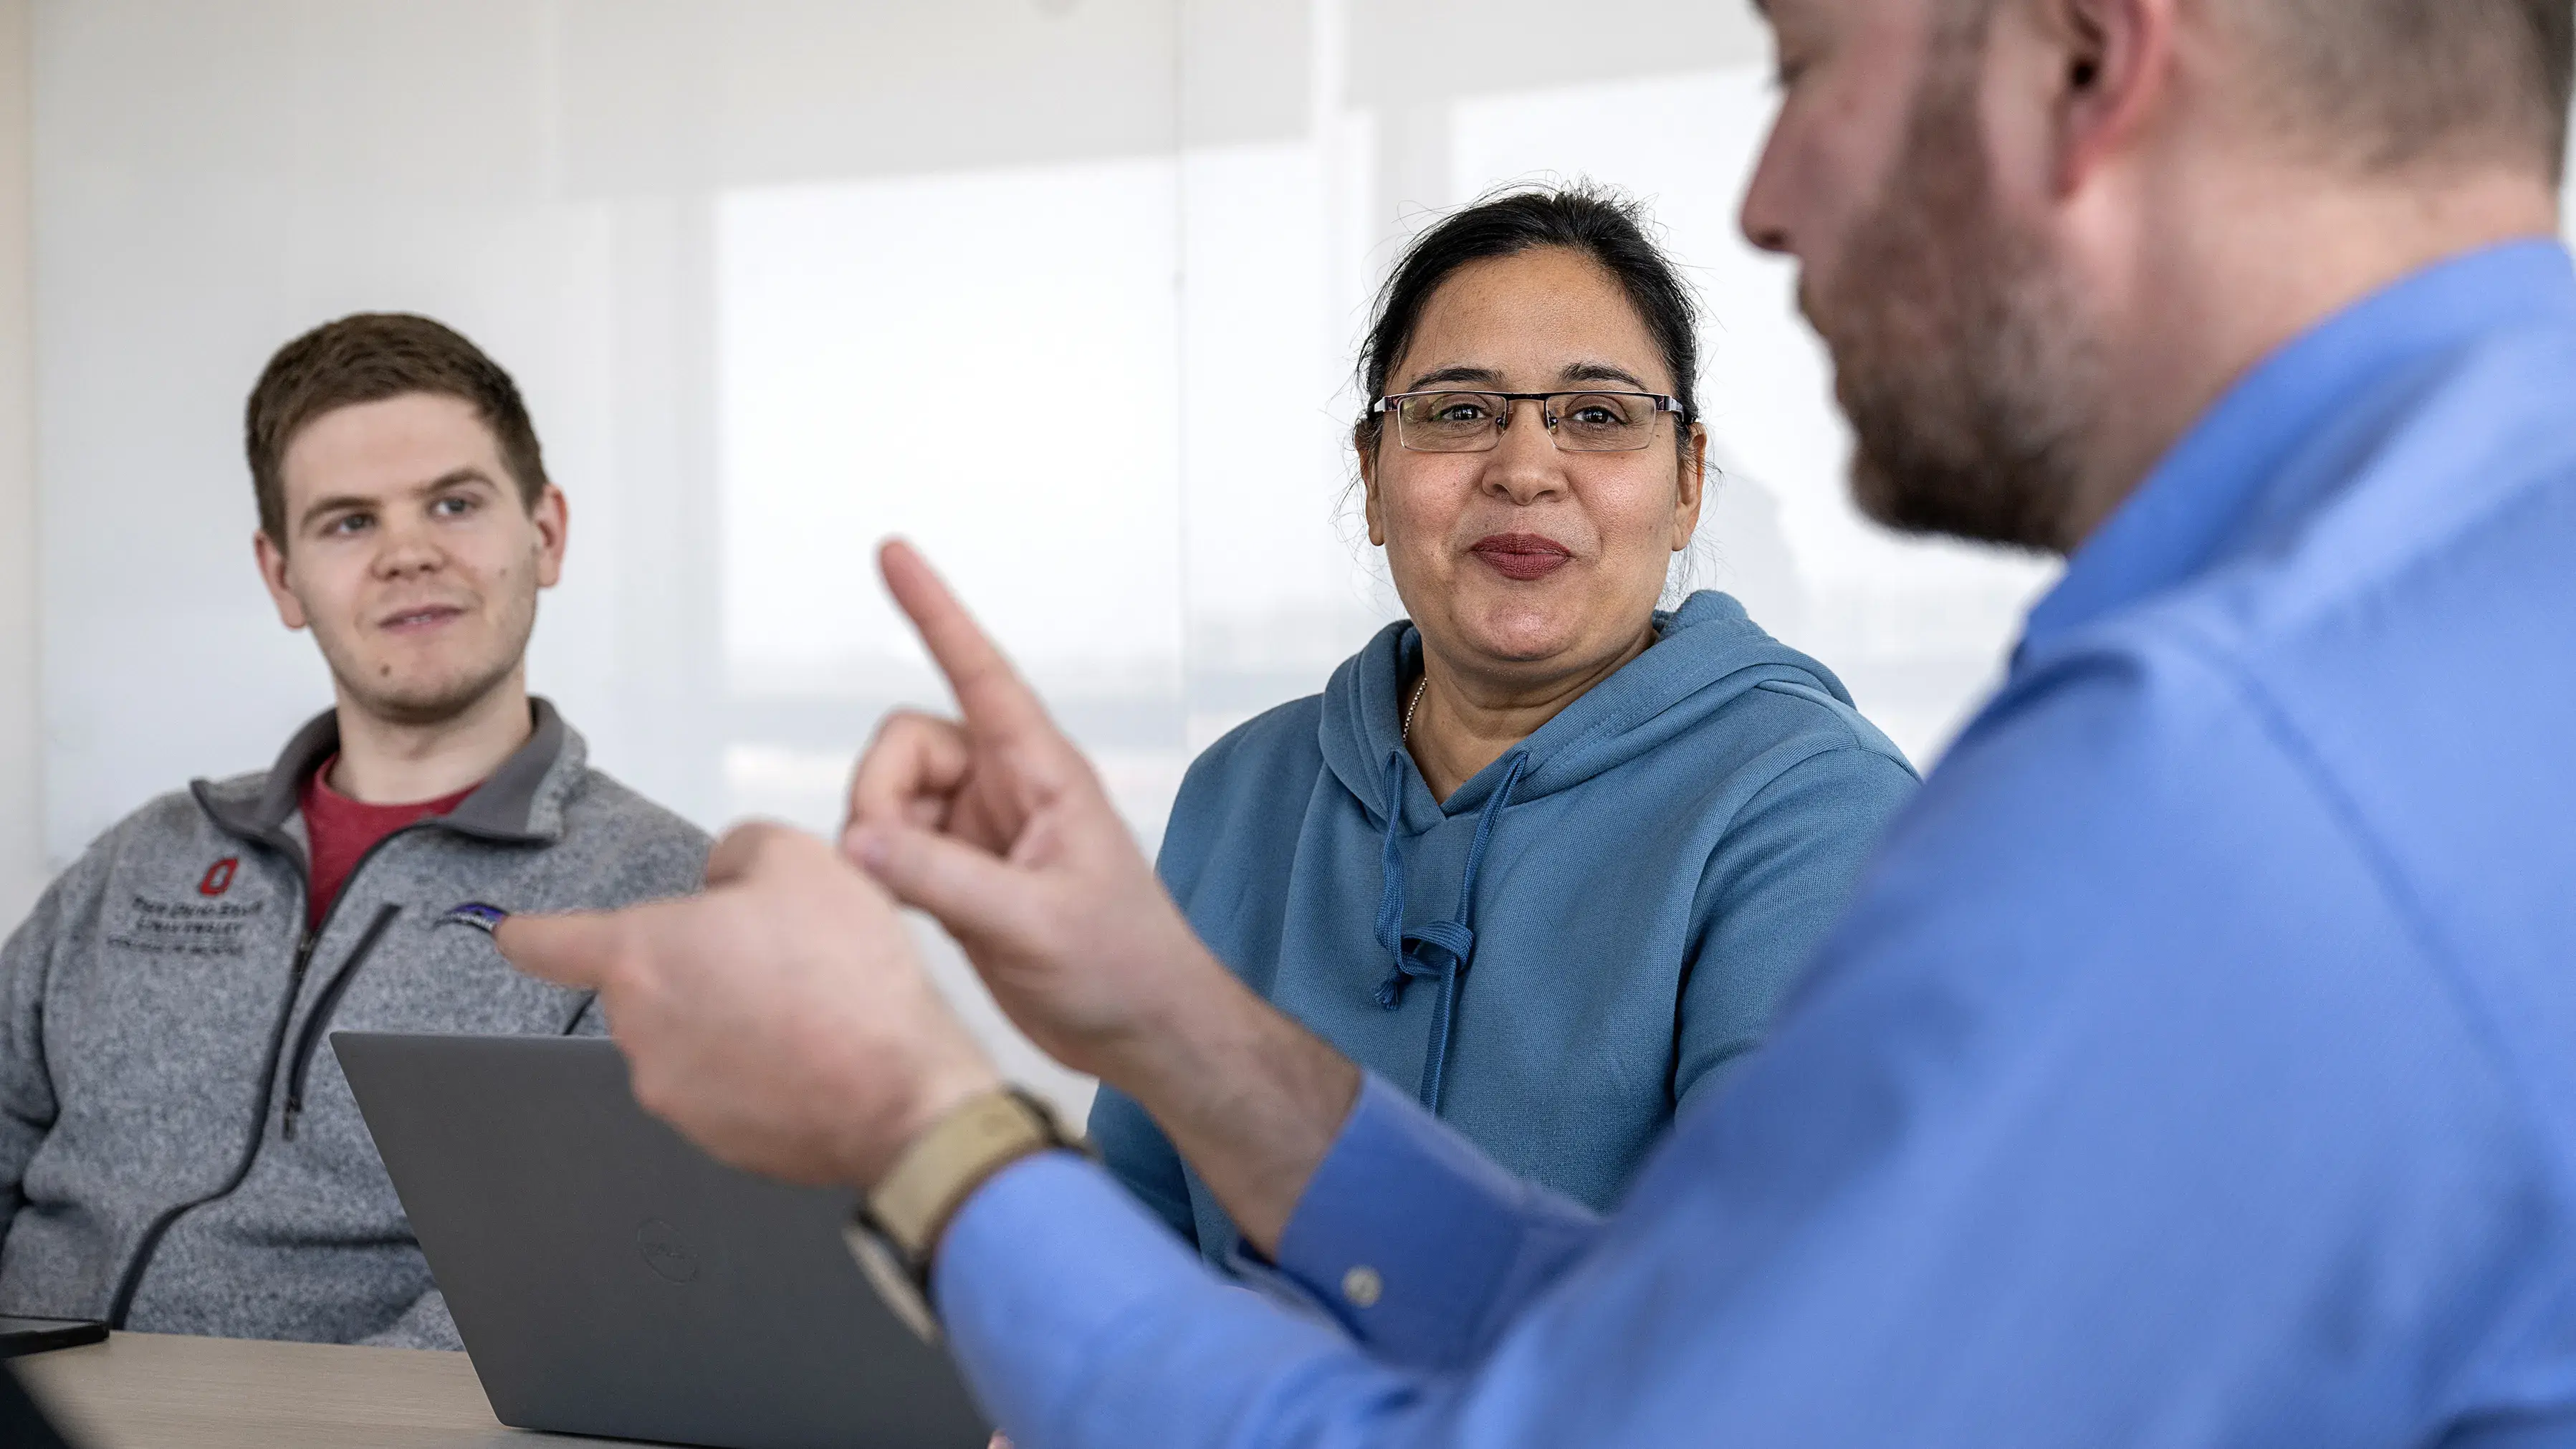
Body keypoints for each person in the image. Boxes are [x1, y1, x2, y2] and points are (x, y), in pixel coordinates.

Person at [499, 0, 2576, 1443]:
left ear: (2086, 57)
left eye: (1801, 62)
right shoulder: (2454, 627)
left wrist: (918, 1123)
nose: (1764, 197)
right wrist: (1169, 1014)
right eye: (1458, 413)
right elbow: (1712, 1354)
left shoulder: (2215, 771)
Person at [1091, 185, 1916, 1261]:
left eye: (1596, 415)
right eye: (1458, 411)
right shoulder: (1241, 789)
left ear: (1686, 487)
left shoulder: (1815, 811)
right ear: (1373, 479)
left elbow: (1767, 1311)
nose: (1524, 470)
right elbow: (1131, 1224)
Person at [0, 314, 709, 1348]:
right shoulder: (141, 857)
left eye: (454, 503)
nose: (408, 554)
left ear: (544, 534)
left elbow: (560, 1289)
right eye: (347, 522)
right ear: (282, 576)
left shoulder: (662, 893)